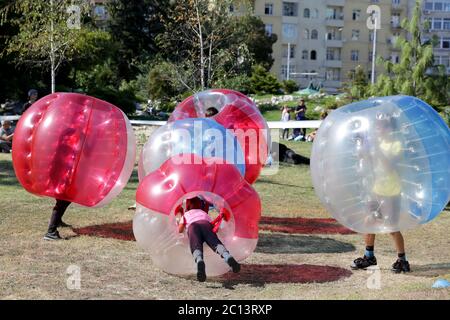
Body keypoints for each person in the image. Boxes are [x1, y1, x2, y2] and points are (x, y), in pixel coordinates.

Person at [351, 114, 410, 273]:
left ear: (390, 129)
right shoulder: (378, 143)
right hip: (377, 189)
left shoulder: (396, 144)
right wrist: (362, 150)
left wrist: (376, 148)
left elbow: (389, 166)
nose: (377, 129)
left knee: (391, 227)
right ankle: (369, 256)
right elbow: (369, 162)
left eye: (381, 126)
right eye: (376, 126)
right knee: (369, 221)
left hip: (391, 191)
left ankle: (402, 260)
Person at [176, 196, 240, 282]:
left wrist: (180, 218)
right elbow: (212, 226)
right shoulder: (204, 213)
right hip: (206, 224)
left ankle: (199, 261)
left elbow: (180, 230)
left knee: (196, 247)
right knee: (216, 244)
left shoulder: (186, 215)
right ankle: (228, 257)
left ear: (187, 205)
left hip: (193, 227)